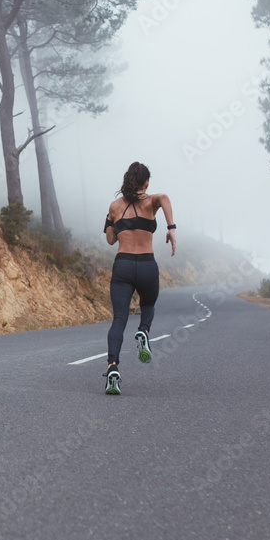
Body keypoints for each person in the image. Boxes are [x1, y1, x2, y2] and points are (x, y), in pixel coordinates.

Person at [102, 162, 176, 395]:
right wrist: (171, 227)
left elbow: (110, 240)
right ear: (145, 183)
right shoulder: (151, 201)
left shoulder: (115, 206)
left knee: (119, 320)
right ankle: (144, 330)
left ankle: (113, 366)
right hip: (146, 264)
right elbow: (164, 196)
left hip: (123, 265)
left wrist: (111, 219)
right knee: (148, 304)